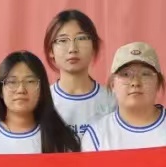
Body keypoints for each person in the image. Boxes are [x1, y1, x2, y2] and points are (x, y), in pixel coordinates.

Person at [0, 51, 80, 154]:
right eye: (12, 82)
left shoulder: (60, 140)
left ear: (42, 89)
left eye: (30, 81)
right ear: (0, 91)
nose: (21, 90)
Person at [44, 9, 115, 137]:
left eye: (81, 38)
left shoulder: (111, 101)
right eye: (63, 40)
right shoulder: (43, 102)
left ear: (94, 47)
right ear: (51, 51)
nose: (72, 49)